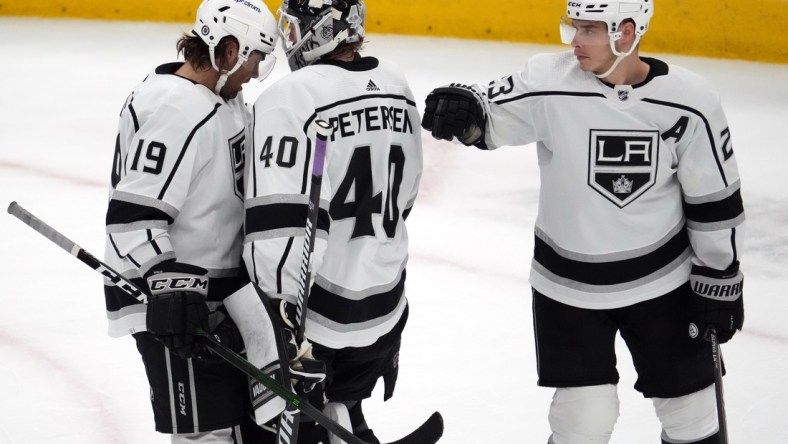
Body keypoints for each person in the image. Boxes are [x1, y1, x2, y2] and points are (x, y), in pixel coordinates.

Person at [421, 1, 744, 443]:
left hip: (663, 285)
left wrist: (719, 277)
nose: (575, 41)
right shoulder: (549, 80)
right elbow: (490, 112)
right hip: (567, 288)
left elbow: (714, 201)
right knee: (582, 421)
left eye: (590, 30)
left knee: (692, 414)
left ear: (627, 33)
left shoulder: (691, 101)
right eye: (574, 27)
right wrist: (464, 110)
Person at [242, 0, 423, 442]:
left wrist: (283, 332)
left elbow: (281, 230)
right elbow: (408, 193)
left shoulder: (290, 97)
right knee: (341, 409)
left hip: (315, 322)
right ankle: (350, 423)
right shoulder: (397, 84)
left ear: (321, 28)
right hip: (384, 310)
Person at [102, 0, 280, 442]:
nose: (256, 72)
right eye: (255, 59)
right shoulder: (175, 109)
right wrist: (167, 287)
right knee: (208, 434)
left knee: (247, 428)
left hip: (221, 298)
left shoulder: (223, 98)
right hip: (176, 306)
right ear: (228, 50)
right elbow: (132, 219)